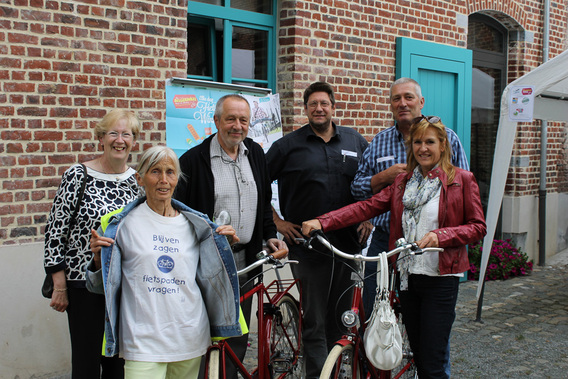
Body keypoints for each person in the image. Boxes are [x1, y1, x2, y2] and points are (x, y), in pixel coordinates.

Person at [302, 116, 487, 378]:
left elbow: (478, 227)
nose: (423, 148)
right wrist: (323, 221)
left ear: (443, 145)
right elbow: (366, 206)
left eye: (430, 142)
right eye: (417, 142)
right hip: (408, 278)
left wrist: (441, 236)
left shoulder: (461, 180)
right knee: (420, 355)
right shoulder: (404, 183)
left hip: (441, 278)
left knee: (433, 360)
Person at [86, 146, 242, 379]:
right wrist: (98, 260)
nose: (163, 180)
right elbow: (98, 287)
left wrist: (224, 245)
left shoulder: (197, 225)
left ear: (177, 179)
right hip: (142, 339)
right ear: (140, 178)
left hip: (188, 334)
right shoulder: (121, 225)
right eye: (155, 171)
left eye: (170, 172)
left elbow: (207, 275)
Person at [175, 94, 287, 378]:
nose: (237, 126)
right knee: (205, 330)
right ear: (216, 121)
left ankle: (228, 374)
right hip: (208, 265)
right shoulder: (192, 161)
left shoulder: (256, 153)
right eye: (230, 119)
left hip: (246, 262)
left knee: (237, 332)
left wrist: (269, 235)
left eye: (243, 120)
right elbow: (180, 214)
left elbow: (263, 204)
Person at [265, 82, 371, 378]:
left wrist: (369, 215)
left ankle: (334, 371)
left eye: (324, 103)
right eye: (313, 104)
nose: (319, 109)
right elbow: (258, 181)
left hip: (348, 244)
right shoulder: (288, 146)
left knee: (341, 317)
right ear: (306, 109)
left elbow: (373, 182)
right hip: (308, 247)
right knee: (314, 319)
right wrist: (277, 221)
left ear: (333, 107)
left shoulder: (355, 141)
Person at [351, 77, 470, 318]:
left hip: (431, 243)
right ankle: (371, 355)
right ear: (391, 105)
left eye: (408, 97)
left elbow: (464, 194)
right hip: (386, 240)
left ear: (421, 102)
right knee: (372, 309)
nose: (402, 103)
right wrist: (383, 177)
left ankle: (422, 354)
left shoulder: (447, 138)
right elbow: (357, 188)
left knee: (428, 318)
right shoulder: (379, 142)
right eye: (397, 99)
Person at [44, 109, 141, 378]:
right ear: (100, 138)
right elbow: (55, 232)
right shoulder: (78, 175)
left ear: (134, 140)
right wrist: (59, 286)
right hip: (83, 284)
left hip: (124, 287)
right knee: (87, 364)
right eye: (113, 133)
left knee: (118, 365)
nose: (119, 140)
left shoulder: (137, 181)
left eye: (127, 134)